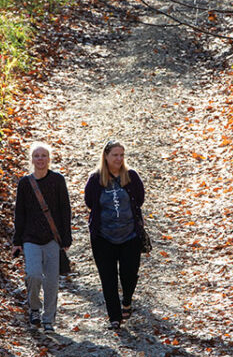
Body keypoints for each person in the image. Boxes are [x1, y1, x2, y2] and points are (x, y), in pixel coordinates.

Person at [84, 139, 145, 329]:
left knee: (129, 274)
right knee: (108, 277)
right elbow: (89, 202)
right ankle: (114, 317)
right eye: (115, 155)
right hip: (103, 237)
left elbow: (139, 199)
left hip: (130, 235)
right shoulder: (95, 179)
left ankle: (127, 300)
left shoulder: (131, 176)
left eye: (121, 155)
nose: (119, 159)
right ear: (106, 156)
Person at [12, 141, 72, 332]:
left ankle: (48, 319)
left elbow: (65, 209)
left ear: (49, 159)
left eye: (43, 155)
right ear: (31, 159)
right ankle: (34, 309)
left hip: (53, 238)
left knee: (52, 281)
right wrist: (17, 241)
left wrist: (66, 238)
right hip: (30, 238)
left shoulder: (58, 180)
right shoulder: (25, 183)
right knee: (33, 275)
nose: (40, 159)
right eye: (36, 156)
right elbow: (19, 213)